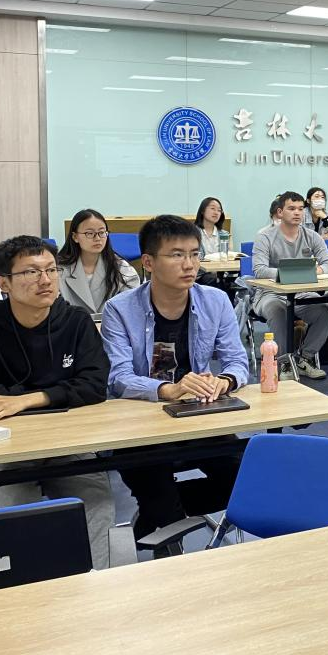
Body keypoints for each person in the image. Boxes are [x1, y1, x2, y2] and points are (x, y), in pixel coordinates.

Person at [0, 235, 114, 569]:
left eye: (51, 270)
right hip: (4, 450)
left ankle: (95, 584)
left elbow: (94, 386)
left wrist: (29, 399)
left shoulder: (76, 321)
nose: (45, 280)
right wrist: (62, 392)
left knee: (96, 504)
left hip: (65, 443)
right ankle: (32, 589)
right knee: (25, 514)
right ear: (4, 283)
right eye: (31, 272)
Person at [101, 215, 250, 544]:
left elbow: (237, 361)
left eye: (195, 254)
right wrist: (169, 389)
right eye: (177, 255)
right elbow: (118, 378)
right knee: (159, 495)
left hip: (197, 419)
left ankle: (160, 515)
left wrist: (224, 381)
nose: (189, 264)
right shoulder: (119, 309)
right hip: (139, 430)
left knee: (248, 481)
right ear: (148, 262)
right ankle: (164, 517)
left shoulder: (215, 301)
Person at [251, 190, 328, 379]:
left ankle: (305, 358)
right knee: (278, 310)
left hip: (301, 292)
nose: (297, 213)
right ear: (280, 212)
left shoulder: (312, 236)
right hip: (270, 294)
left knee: (325, 309)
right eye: (291, 208)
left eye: (300, 209)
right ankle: (283, 363)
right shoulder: (265, 237)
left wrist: (318, 271)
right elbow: (259, 270)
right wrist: (290, 274)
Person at [56, 208, 140, 317]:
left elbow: (131, 308)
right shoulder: (58, 270)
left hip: (111, 326)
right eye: (90, 233)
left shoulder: (122, 269)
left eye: (101, 232)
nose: (97, 238)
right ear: (75, 237)